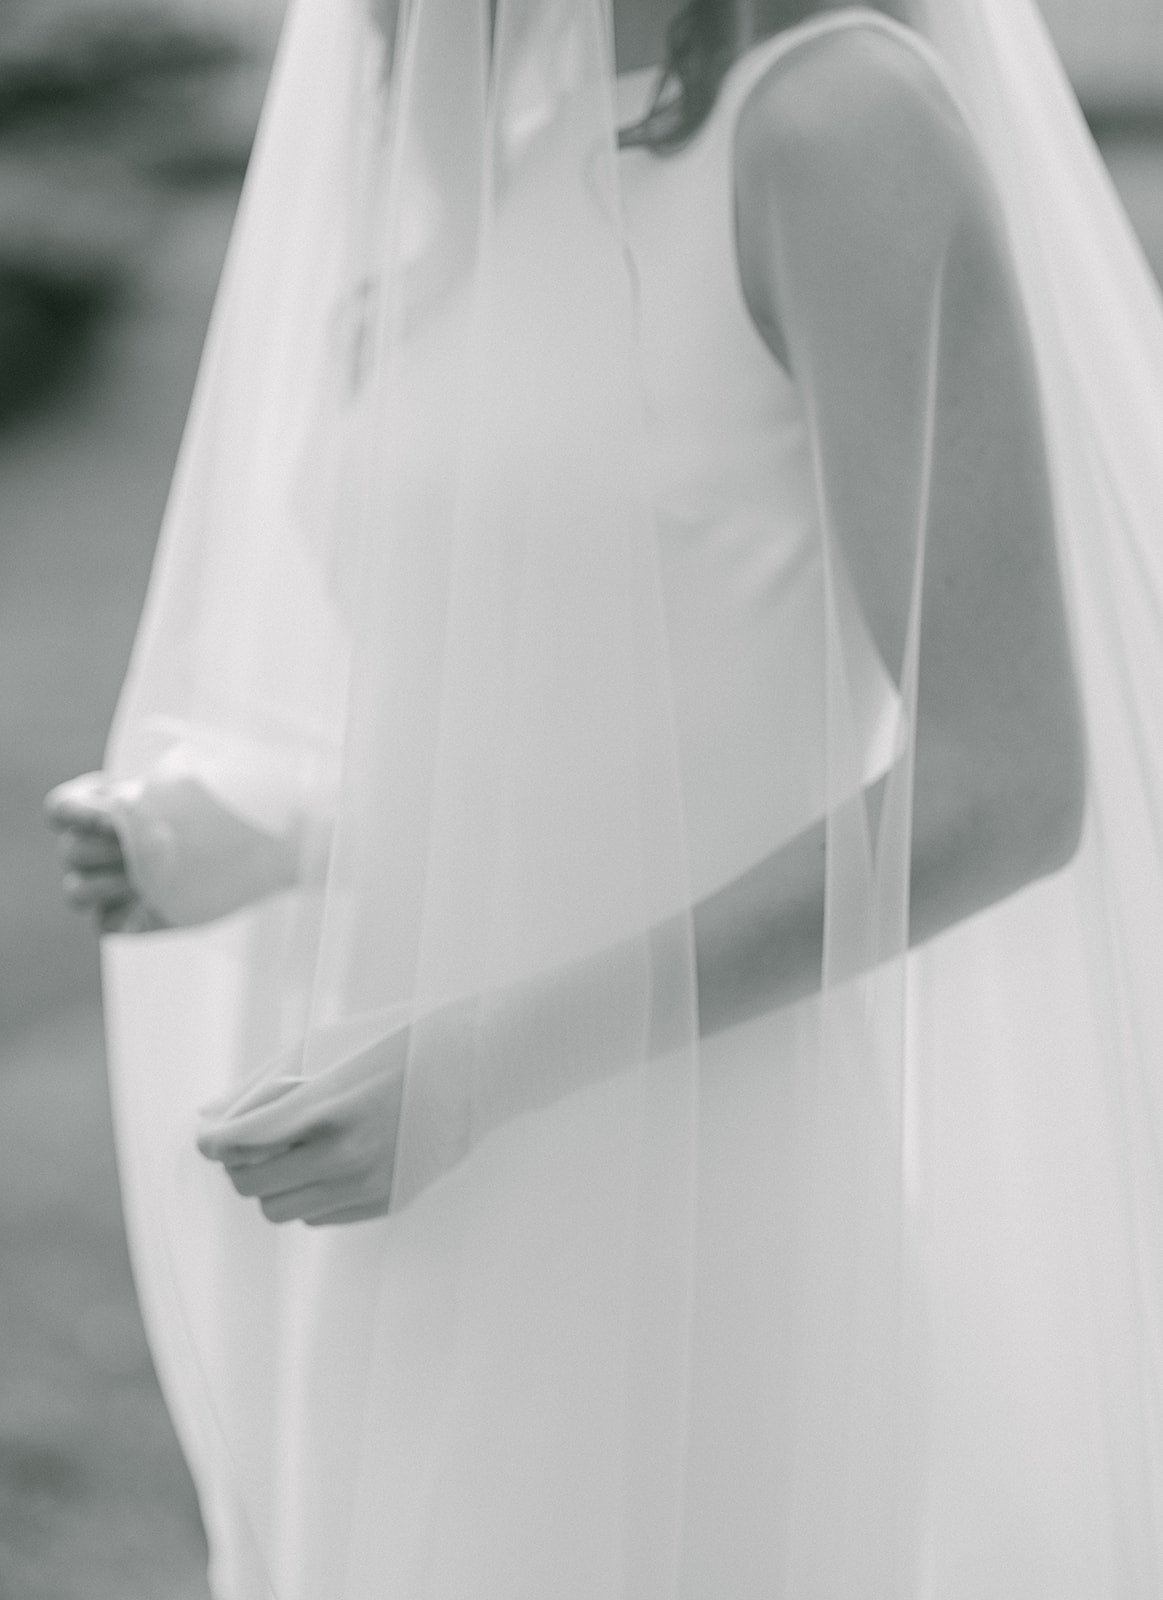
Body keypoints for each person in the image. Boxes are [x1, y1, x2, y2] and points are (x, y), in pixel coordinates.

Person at [43, 0, 1163, 1595]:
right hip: (403, 1199)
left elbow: (1008, 787)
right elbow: (590, 739)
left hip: (683, 1233)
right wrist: (284, 826)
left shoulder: (834, 122)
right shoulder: (508, 145)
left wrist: (488, 1069)